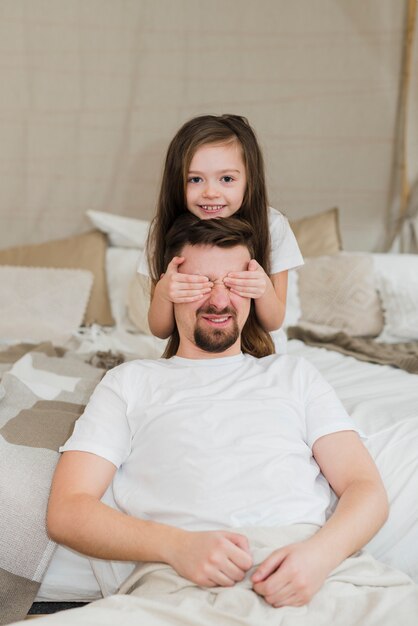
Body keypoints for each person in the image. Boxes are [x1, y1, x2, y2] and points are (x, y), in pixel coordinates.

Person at [44, 215, 417, 626]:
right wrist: (176, 546)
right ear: (170, 287)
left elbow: (364, 487)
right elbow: (68, 510)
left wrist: (319, 557)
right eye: (200, 283)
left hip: (325, 580)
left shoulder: (293, 374)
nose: (219, 301)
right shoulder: (130, 382)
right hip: (182, 592)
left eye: (234, 283)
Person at [137, 113, 303, 354]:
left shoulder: (272, 225)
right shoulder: (162, 229)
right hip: (193, 356)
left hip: (257, 356)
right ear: (176, 182)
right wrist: (164, 294)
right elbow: (160, 330)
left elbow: (274, 321)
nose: (210, 192)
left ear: (249, 180)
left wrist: (264, 289)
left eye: (226, 179)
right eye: (195, 179)